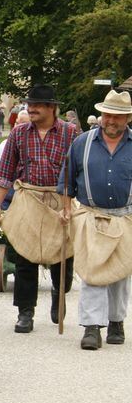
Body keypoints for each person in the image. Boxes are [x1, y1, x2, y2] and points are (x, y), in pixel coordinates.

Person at [0, 85, 79, 333]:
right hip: (28, 199)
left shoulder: (71, 133)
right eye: (29, 104)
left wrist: (72, 204)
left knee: (63, 256)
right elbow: (4, 174)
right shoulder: (19, 133)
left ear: (52, 108)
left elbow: (77, 171)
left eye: (37, 105)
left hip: (59, 198)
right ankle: (25, 312)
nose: (30, 108)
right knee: (24, 257)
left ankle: (58, 293)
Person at [59, 90, 132, 350]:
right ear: (101, 115)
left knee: (120, 274)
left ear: (128, 118)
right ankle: (91, 327)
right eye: (107, 115)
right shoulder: (82, 143)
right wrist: (66, 207)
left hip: (125, 217)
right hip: (90, 215)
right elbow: (67, 179)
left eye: (118, 116)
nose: (111, 120)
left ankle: (116, 321)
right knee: (91, 271)